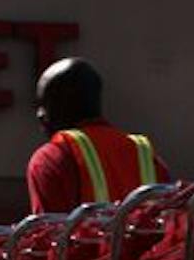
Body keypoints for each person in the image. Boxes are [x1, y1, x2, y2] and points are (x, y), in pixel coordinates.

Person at [26, 57, 172, 214]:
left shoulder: (50, 159)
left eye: (44, 104)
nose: (39, 114)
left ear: (63, 103)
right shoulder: (145, 155)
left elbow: (49, 234)